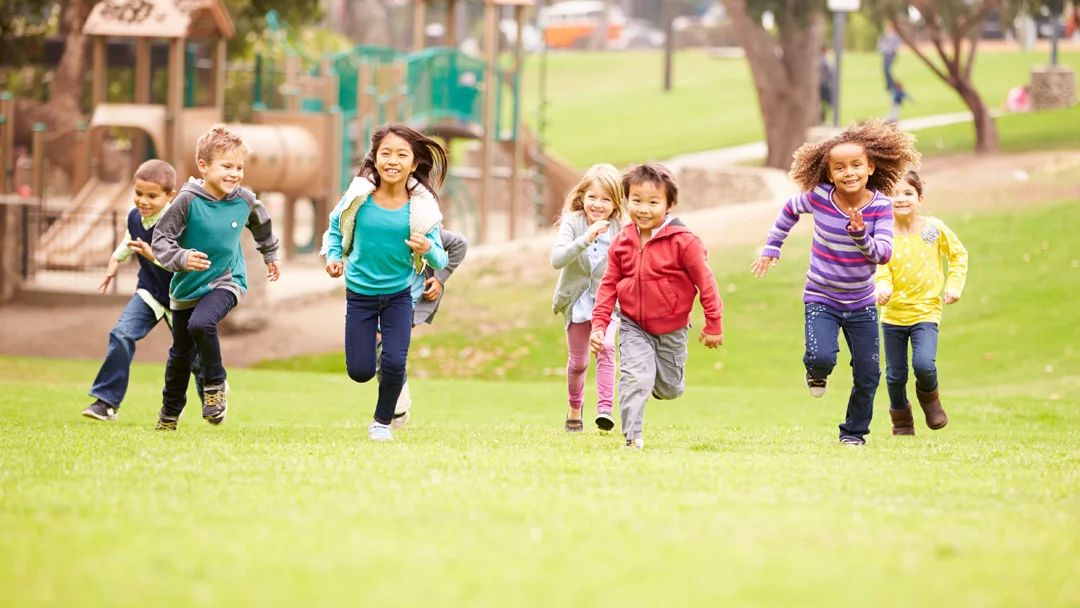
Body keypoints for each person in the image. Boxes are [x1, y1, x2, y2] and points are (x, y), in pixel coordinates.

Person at [751, 119, 919, 445]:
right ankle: (815, 371)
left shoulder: (881, 208)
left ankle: (854, 434)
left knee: (869, 374)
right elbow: (789, 209)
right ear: (829, 174)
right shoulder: (819, 198)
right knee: (821, 358)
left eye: (856, 165)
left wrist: (860, 237)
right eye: (839, 167)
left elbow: (883, 254)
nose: (849, 172)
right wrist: (773, 246)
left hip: (862, 303)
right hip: (821, 296)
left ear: (871, 167)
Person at [323, 124, 448, 442]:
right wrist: (334, 256)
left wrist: (427, 249)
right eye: (386, 153)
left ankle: (382, 422)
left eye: (401, 154)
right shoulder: (358, 197)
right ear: (375, 159)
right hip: (360, 294)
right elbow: (336, 227)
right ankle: (379, 358)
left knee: (395, 362)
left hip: (399, 295)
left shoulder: (421, 208)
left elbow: (441, 260)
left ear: (414, 163)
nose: (393, 160)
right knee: (361, 371)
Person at [151, 125, 282, 430]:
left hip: (228, 279)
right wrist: (182, 258)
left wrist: (271, 254)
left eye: (239, 167)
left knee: (202, 323)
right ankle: (169, 413)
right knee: (180, 356)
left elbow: (261, 223)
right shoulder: (187, 200)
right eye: (226, 166)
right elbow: (161, 241)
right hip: (187, 287)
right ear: (203, 166)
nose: (234, 173)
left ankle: (215, 387)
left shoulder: (245, 200)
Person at [590, 163, 724, 450]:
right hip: (632, 325)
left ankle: (658, 382)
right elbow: (608, 286)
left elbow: (707, 283)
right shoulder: (620, 243)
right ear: (626, 201)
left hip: (672, 328)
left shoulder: (684, 243)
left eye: (653, 202)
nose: (643, 209)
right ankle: (632, 438)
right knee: (635, 378)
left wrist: (714, 323)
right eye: (636, 200)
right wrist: (599, 326)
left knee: (670, 388)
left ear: (669, 204)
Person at [83, 160, 204, 421]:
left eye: (152, 195)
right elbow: (131, 240)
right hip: (149, 294)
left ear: (170, 196)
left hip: (180, 299)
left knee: (194, 359)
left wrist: (154, 257)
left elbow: (187, 263)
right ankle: (105, 402)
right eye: (138, 193)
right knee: (121, 334)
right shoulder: (134, 216)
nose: (143, 201)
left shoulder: (179, 223)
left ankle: (212, 395)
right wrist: (115, 261)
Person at [875, 170, 968, 435]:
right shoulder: (883, 235)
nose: (900, 199)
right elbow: (880, 269)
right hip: (892, 316)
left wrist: (953, 286)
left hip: (926, 312)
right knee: (895, 376)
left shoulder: (933, 229)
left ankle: (930, 400)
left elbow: (958, 254)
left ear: (920, 198)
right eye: (893, 194)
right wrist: (882, 288)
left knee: (924, 365)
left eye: (907, 193)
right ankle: (902, 421)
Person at [550, 163, 625, 432]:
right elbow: (557, 260)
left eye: (606, 199)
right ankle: (574, 407)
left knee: (605, 347)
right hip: (576, 301)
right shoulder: (573, 222)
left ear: (616, 204)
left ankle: (604, 410)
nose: (598, 204)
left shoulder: (622, 228)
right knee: (579, 362)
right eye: (593, 197)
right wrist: (586, 237)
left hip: (609, 303)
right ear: (582, 196)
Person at [374, 227, 469, 429]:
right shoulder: (376, 226)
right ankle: (398, 405)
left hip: (410, 301)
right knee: (374, 358)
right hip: (377, 297)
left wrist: (440, 278)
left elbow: (460, 244)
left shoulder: (422, 228)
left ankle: (396, 410)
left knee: (389, 353)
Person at [878, 22, 902, 92]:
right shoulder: (884, 34)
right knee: (885, 69)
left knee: (888, 69)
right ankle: (889, 85)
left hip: (891, 53)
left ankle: (893, 84)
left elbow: (898, 42)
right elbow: (881, 42)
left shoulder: (894, 35)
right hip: (885, 53)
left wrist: (894, 48)